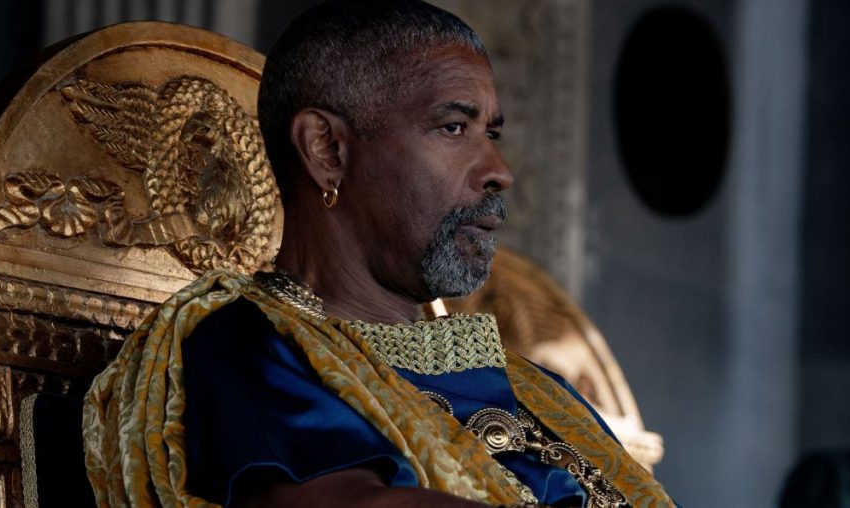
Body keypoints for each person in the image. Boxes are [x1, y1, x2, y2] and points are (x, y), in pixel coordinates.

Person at [82, 1, 675, 507]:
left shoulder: (542, 391)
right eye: (454, 128)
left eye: (491, 133)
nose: (499, 170)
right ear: (327, 149)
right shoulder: (250, 345)